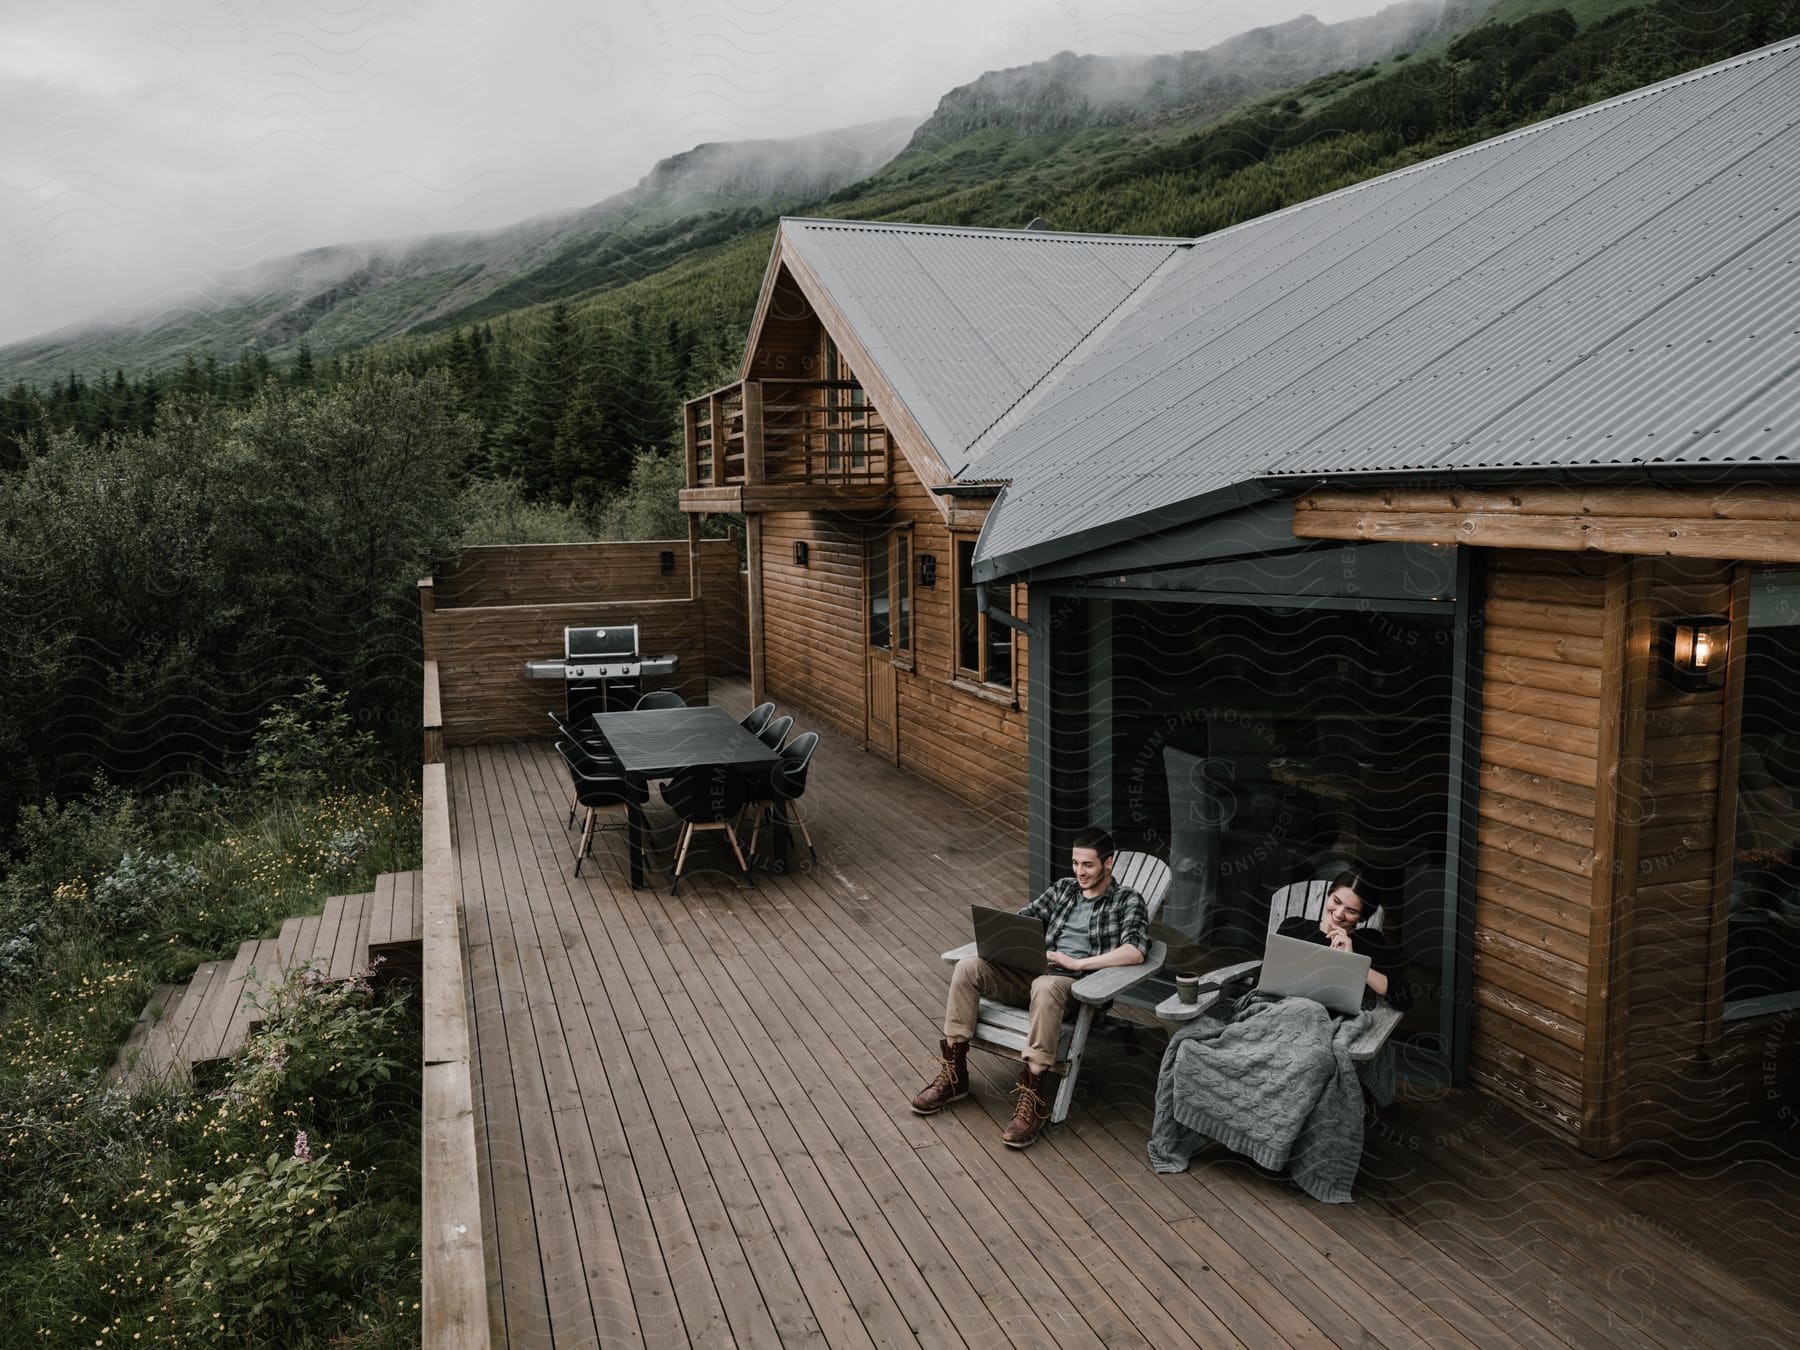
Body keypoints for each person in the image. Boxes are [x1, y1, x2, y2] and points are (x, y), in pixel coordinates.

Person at [909, 826, 1148, 1148]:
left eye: (1088, 865)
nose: (1079, 872)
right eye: (1076, 863)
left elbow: (1135, 951)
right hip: (1034, 974)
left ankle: (1033, 1100)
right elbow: (1024, 918)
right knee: (968, 967)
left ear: (1109, 863)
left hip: (1075, 987)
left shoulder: (1127, 901)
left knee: (1047, 986)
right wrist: (1014, 944)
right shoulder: (1064, 889)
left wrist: (1077, 964)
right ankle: (954, 1075)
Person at [1275, 870, 1411, 1012]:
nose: (1339, 913)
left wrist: (1353, 961)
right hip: (1283, 1007)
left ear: (1362, 915)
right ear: (1329, 894)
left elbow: (1404, 999)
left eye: (1351, 911)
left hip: (1332, 1016)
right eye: (1336, 901)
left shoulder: (1370, 941)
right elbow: (1269, 977)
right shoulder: (1293, 927)